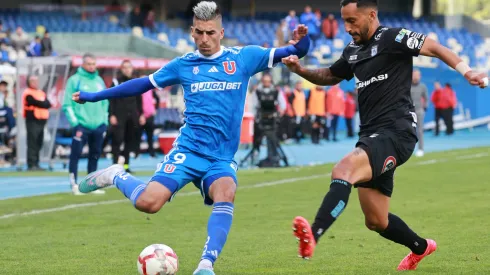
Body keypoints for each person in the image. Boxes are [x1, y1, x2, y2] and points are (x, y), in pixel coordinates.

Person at [72, 2, 311, 274]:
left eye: (210, 33)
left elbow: (296, 50)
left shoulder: (244, 58)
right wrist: (95, 95)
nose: (205, 39)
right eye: (199, 33)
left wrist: (304, 41)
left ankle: (205, 265)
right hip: (188, 151)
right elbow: (141, 85)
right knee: (149, 204)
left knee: (226, 192)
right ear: (192, 32)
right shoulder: (184, 65)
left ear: (221, 32)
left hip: (220, 157)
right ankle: (116, 174)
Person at [282, 0, 488, 271]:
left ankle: (314, 234)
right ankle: (421, 247)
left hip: (397, 132)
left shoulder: (393, 38)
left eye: (352, 21)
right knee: (376, 220)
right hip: (372, 135)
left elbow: (436, 48)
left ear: (371, 15)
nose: (347, 28)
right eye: (344, 21)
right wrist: (300, 70)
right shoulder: (353, 50)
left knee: (343, 169)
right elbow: (331, 75)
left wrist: (467, 70)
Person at [62, 53, 109, 195]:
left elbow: (105, 101)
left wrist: (104, 121)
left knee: (95, 155)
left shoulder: (100, 80)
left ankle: (91, 185)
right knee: (75, 155)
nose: (92, 66)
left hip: (98, 125)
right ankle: (74, 184)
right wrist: (75, 123)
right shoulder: (74, 80)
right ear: (83, 64)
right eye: (89, 64)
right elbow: (67, 104)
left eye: (94, 64)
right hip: (81, 125)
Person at [109, 60, 143, 172]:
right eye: (125, 67)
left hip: (132, 115)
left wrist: (141, 114)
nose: (127, 69)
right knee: (117, 140)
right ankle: (115, 165)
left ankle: (126, 166)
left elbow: (139, 100)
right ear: (121, 69)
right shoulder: (116, 82)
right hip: (119, 115)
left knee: (129, 141)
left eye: (129, 67)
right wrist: (111, 114)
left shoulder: (135, 82)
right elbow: (111, 99)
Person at [22, 75, 51, 171]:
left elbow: (48, 104)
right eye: (33, 81)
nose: (35, 83)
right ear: (29, 82)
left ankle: (37, 163)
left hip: (41, 121)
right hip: (32, 120)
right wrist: (42, 103)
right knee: (32, 142)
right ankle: (31, 164)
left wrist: (41, 103)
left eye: (36, 81)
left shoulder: (40, 92)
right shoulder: (28, 93)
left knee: (39, 142)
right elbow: (34, 102)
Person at [410, 69, 428, 156]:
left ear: (419, 76)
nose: (415, 77)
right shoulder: (407, 85)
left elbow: (426, 98)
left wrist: (425, 108)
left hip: (419, 111)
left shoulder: (422, 86)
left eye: (417, 75)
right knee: (408, 130)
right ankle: (408, 149)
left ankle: (421, 149)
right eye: (414, 75)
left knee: (420, 130)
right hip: (408, 112)